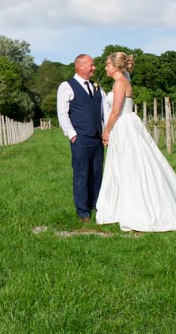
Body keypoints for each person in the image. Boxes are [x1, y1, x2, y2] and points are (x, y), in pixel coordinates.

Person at [95, 51, 176, 232]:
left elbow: (115, 112)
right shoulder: (124, 78)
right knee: (125, 165)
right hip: (126, 126)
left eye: (108, 65)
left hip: (124, 126)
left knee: (130, 166)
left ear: (116, 67)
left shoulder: (120, 83)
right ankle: (122, 205)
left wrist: (106, 131)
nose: (105, 68)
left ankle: (137, 208)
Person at [56, 53, 105, 223]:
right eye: (91, 65)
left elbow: (103, 111)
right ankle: (83, 211)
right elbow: (62, 113)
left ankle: (96, 205)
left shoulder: (96, 87)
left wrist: (105, 132)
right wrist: (72, 134)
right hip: (81, 138)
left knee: (97, 173)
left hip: (97, 138)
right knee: (81, 174)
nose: (94, 68)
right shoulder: (67, 86)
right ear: (80, 66)